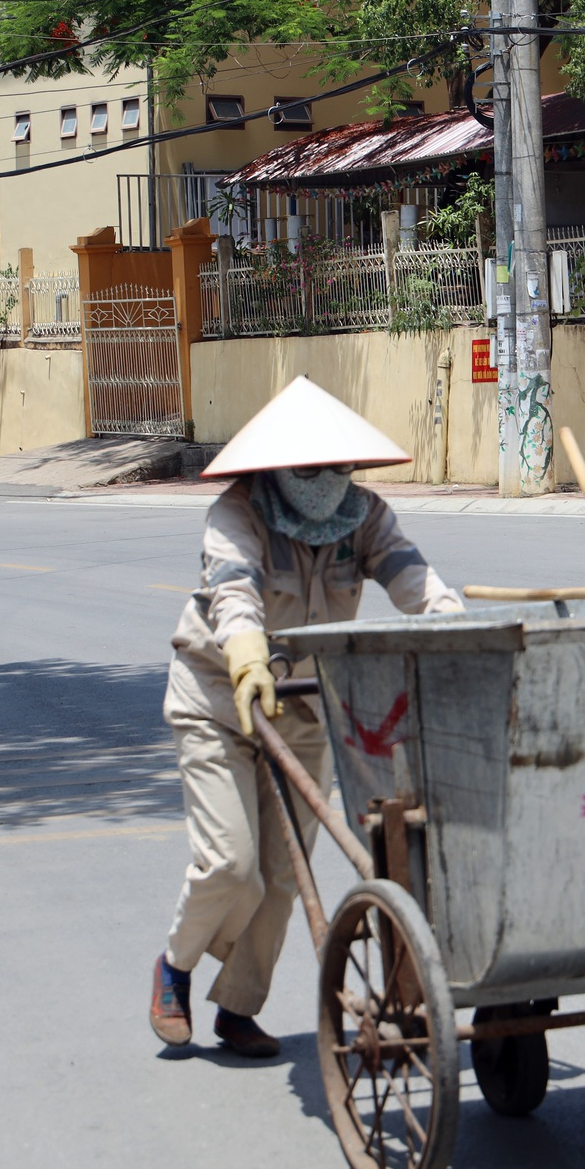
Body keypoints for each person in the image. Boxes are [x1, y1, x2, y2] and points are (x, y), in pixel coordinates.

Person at [148, 376, 464, 1057]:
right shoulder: (237, 514)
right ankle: (174, 967)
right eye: (311, 466)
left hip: (303, 706)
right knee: (232, 864)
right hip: (221, 696)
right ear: (279, 467)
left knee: (285, 874)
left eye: (337, 464)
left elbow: (415, 578)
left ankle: (238, 1007)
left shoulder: (365, 517)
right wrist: (247, 659)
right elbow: (234, 592)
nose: (325, 479)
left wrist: (456, 626)